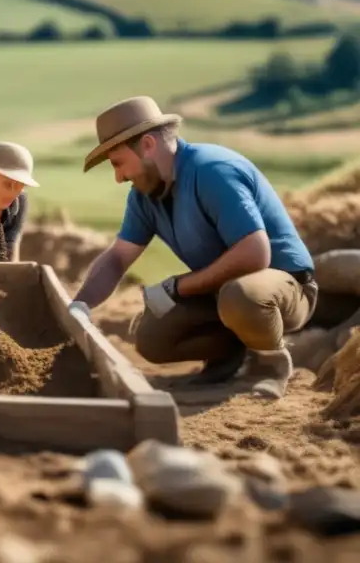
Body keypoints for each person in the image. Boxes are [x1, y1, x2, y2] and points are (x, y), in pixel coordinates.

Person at [71, 96, 317, 399]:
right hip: (223, 295)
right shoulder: (143, 197)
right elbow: (118, 257)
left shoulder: (212, 170)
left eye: (119, 163)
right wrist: (79, 306)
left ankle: (270, 366)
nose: (119, 177)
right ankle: (229, 359)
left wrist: (178, 287)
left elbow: (255, 253)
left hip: (283, 288)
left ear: (147, 145)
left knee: (241, 295)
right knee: (151, 337)